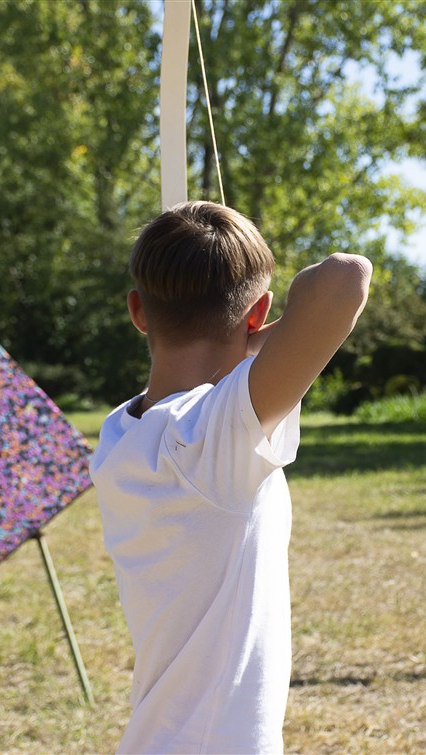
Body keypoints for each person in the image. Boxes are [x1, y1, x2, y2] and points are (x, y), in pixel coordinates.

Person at [90, 200, 372, 753]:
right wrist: (255, 328)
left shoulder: (122, 433)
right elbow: (345, 278)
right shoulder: (209, 437)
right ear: (257, 312)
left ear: (137, 312)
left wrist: (247, 329)